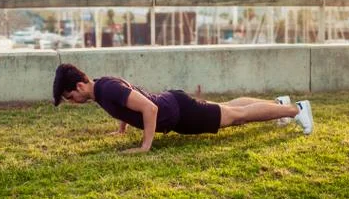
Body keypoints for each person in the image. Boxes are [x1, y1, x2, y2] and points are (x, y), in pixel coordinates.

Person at [53, 64, 314, 153]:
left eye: (69, 96)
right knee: (229, 108)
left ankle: (296, 110)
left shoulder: (106, 89)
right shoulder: (101, 89)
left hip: (178, 113)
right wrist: (122, 129)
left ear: (79, 85)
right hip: (175, 104)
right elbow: (125, 105)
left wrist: (146, 145)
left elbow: (149, 110)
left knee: (237, 117)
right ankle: (279, 104)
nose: (72, 101)